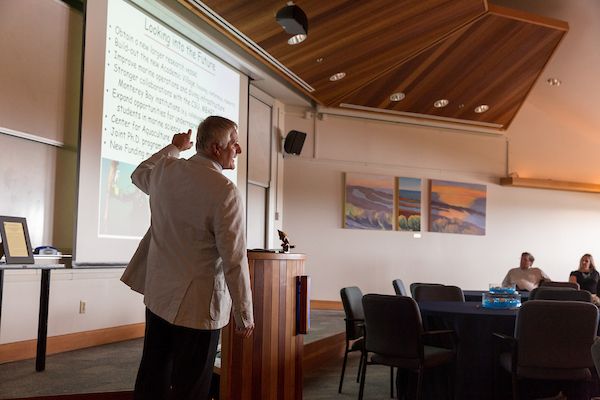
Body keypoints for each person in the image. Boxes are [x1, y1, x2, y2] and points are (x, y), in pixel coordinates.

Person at [121, 116, 255, 400]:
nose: (239, 150)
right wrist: (244, 314)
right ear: (217, 148)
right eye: (235, 144)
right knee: (191, 387)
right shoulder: (225, 190)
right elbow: (234, 259)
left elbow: (138, 173)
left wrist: (175, 147)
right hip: (198, 307)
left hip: (159, 297)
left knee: (152, 377)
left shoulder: (165, 170)